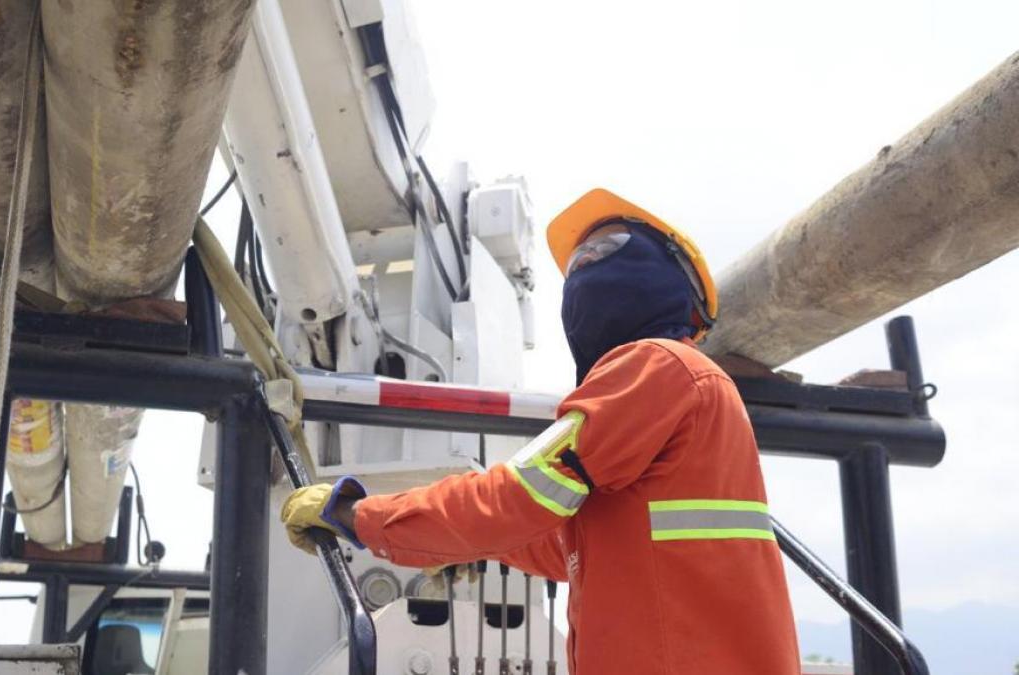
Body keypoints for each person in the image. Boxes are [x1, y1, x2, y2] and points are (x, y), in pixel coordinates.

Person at [281, 188, 801, 674]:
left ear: (671, 280)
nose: (586, 268)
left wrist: (358, 515)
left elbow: (519, 498)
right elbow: (564, 545)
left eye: (610, 249)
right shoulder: (686, 390)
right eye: (579, 263)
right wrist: (468, 539)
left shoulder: (656, 366)